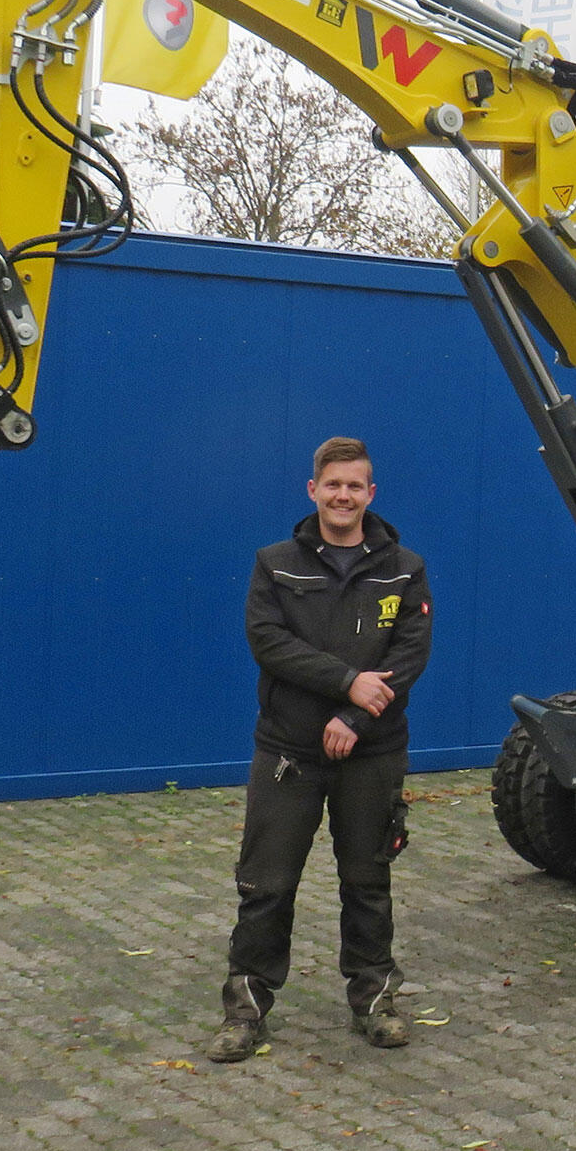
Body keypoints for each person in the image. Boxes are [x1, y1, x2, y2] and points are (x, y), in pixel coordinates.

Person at [208, 437, 432, 1061]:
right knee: (266, 886)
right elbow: (268, 642)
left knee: (367, 882)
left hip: (372, 752)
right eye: (332, 485)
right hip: (288, 753)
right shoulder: (276, 563)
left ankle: (376, 1001)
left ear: (370, 494)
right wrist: (346, 682)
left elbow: (409, 655)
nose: (343, 496)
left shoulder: (404, 567)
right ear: (313, 490)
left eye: (354, 486)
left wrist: (357, 714)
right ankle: (245, 1011)